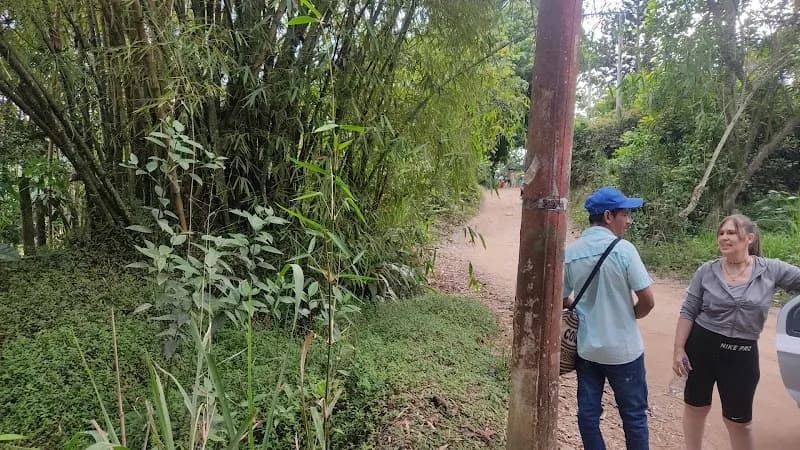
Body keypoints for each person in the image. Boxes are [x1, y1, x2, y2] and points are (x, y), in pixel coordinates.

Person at [672, 214, 800, 450]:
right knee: (696, 408)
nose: (724, 237)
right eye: (721, 233)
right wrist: (679, 348)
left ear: (749, 238)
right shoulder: (706, 271)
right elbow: (689, 310)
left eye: (731, 233)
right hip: (701, 347)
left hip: (742, 354)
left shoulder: (770, 269)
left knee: (740, 422)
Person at [562, 186, 656, 450]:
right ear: (607, 216)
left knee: (588, 415)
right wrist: (629, 315)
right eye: (624, 214)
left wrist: (581, 310)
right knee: (634, 416)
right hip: (624, 352)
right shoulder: (625, 250)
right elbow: (648, 301)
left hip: (587, 351)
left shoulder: (571, 253)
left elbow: (562, 298)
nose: (628, 220)